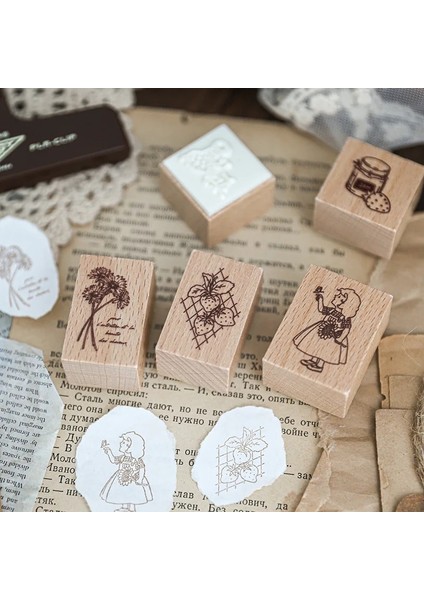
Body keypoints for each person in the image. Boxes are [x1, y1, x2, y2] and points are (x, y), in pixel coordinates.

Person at [293, 287, 361, 373]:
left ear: (344, 304)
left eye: (339, 296)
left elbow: (346, 329)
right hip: (322, 329)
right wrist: (320, 298)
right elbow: (321, 309)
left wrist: (340, 338)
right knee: (316, 345)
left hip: (333, 335)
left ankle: (319, 365)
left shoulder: (345, 318)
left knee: (325, 350)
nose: (336, 295)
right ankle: (313, 360)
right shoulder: (332, 310)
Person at [100, 431, 152, 512]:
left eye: (124, 442)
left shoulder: (136, 460)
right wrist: (108, 451)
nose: (121, 443)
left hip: (133, 479)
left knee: (132, 495)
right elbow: (113, 460)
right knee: (123, 493)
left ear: (130, 447)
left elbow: (142, 468)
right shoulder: (123, 458)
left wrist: (140, 479)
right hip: (121, 478)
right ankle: (124, 508)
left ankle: (131, 509)